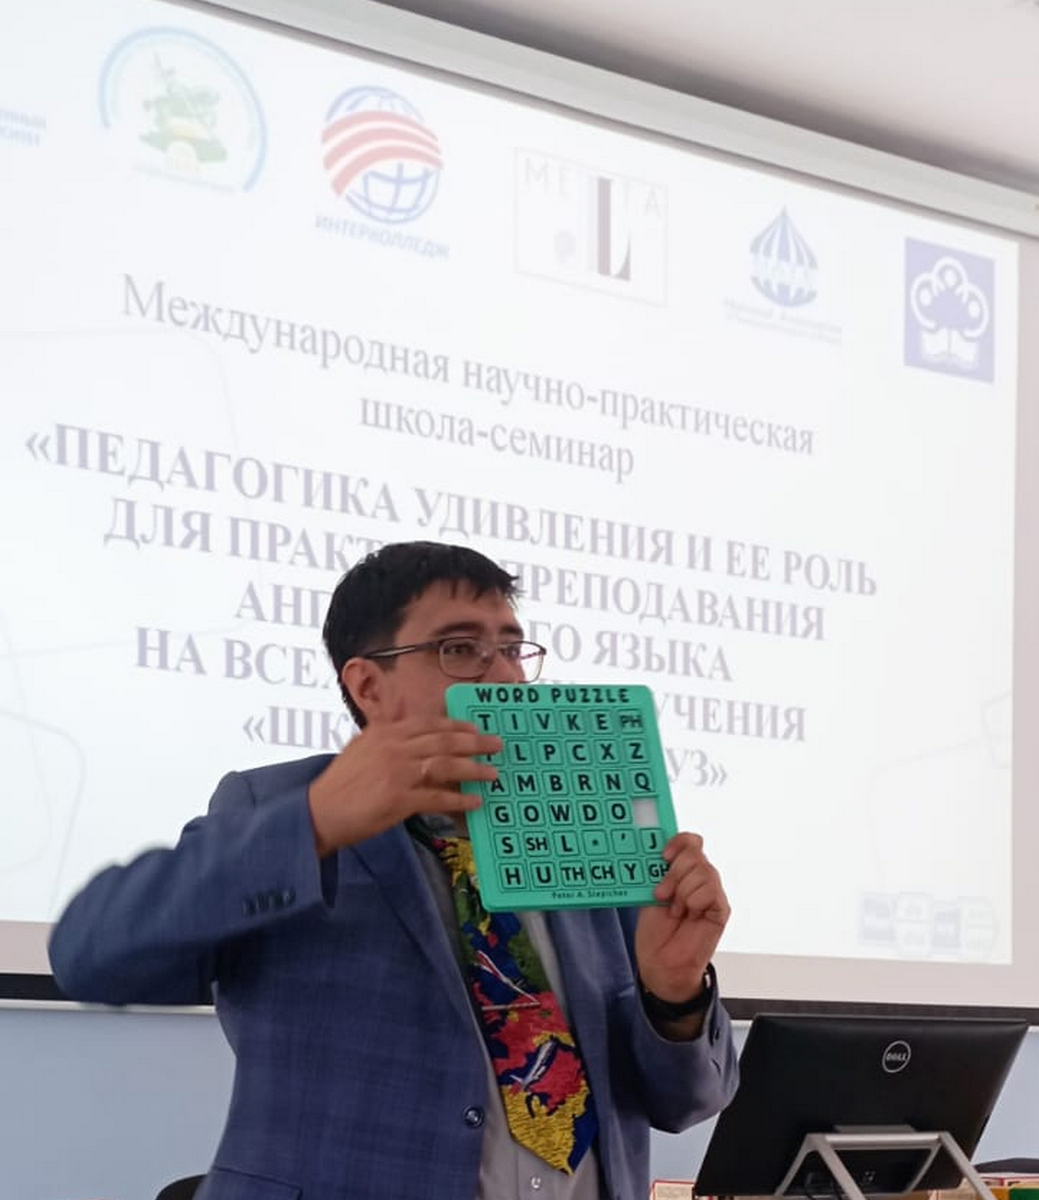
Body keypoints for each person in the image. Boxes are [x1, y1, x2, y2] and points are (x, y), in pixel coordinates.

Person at [49, 541, 738, 1200]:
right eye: (460, 649)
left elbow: (685, 1102)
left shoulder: (583, 830)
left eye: (511, 648)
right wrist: (317, 822)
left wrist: (673, 997)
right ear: (369, 685)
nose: (503, 677)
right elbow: (93, 955)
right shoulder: (280, 807)